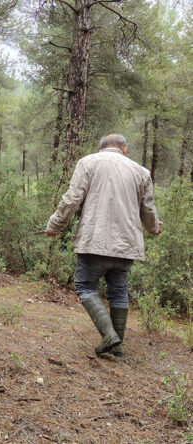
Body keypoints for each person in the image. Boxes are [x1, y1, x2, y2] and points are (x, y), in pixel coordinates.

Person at [45, 134, 162, 356]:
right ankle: (116, 348)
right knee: (118, 291)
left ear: (101, 148)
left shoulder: (87, 163)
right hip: (126, 245)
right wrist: (154, 227)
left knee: (85, 286)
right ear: (124, 149)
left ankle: (110, 337)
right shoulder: (141, 172)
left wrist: (55, 225)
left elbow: (71, 200)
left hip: (94, 241)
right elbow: (148, 210)